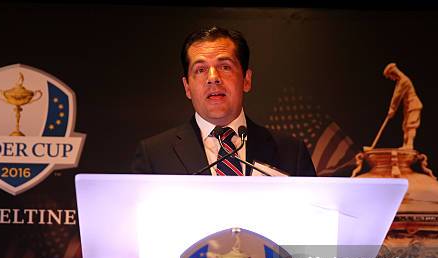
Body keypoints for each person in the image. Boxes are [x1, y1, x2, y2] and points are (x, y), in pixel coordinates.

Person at [132, 26, 316, 176]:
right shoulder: (155, 155)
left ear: (246, 80)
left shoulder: (292, 153)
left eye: (225, 67)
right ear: (187, 87)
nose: (213, 78)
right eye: (201, 70)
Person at [383, 63, 423, 150]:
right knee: (405, 126)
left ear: (393, 73)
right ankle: (406, 145)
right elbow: (396, 95)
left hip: (413, 105)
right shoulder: (400, 81)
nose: (392, 79)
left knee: (410, 125)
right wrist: (392, 109)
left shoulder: (403, 81)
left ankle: (409, 145)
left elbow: (397, 96)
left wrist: (392, 109)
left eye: (390, 77)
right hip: (408, 106)